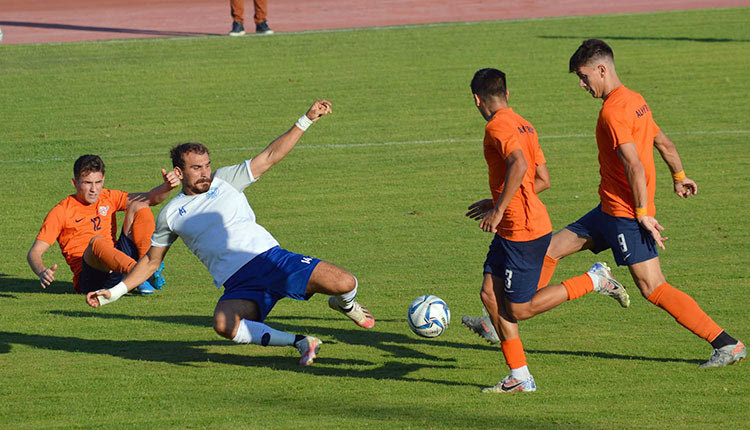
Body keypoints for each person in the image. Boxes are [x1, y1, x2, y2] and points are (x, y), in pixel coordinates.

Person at [465, 39, 746, 368]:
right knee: (550, 250)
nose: (582, 85)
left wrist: (642, 214)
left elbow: (634, 165)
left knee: (653, 287)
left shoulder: (613, 112)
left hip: (626, 216)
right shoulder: (635, 101)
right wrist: (679, 175)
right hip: (606, 211)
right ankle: (507, 317)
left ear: (602, 69)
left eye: (584, 77)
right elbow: (663, 143)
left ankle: (726, 344)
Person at [86, 100, 375, 366]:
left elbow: (271, 156)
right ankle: (302, 342)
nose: (205, 173)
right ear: (180, 171)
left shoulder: (226, 180)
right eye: (196, 168)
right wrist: (114, 292)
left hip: (271, 260)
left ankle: (343, 304)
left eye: (207, 165)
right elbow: (150, 261)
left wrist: (306, 119)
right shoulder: (171, 214)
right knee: (224, 324)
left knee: (345, 282)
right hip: (238, 282)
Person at [468, 68, 629, 393]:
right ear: (507, 94)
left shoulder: (497, 126)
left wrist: (499, 210)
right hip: (515, 224)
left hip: (522, 231)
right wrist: (498, 199)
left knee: (518, 309)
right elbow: (542, 179)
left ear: (476, 100)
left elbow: (520, 165)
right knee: (489, 295)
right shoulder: (524, 124)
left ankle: (593, 280)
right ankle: (520, 377)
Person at [27, 155, 179, 294]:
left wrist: (167, 187)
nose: (94, 189)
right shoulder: (61, 211)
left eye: (98, 182)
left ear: (103, 181)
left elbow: (150, 198)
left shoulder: (107, 197)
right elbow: (34, 253)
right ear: (74, 183)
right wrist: (42, 271)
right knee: (96, 242)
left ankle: (149, 267)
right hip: (91, 278)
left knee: (139, 206)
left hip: (118, 265)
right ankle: (141, 273)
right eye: (87, 183)